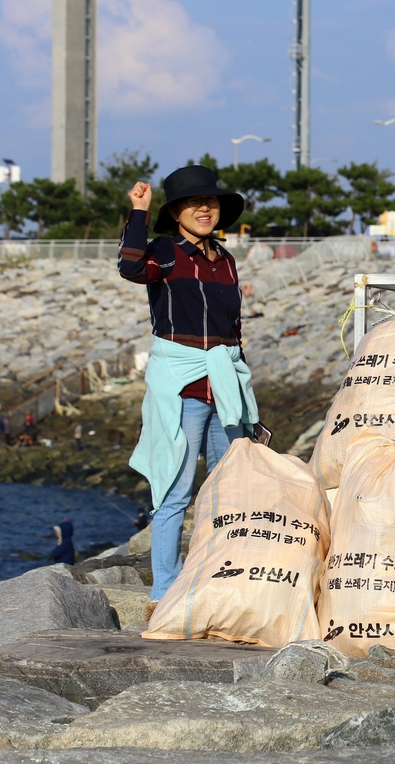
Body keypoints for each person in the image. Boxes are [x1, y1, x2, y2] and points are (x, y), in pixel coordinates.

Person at [119, 165, 259, 618]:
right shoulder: (164, 251)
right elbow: (130, 267)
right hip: (183, 388)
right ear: (176, 211)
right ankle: (163, 590)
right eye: (193, 203)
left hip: (226, 388)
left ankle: (216, 576)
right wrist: (138, 212)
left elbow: (233, 332)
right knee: (175, 492)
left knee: (227, 489)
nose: (204, 208)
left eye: (212, 202)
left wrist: (241, 385)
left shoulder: (225, 259)